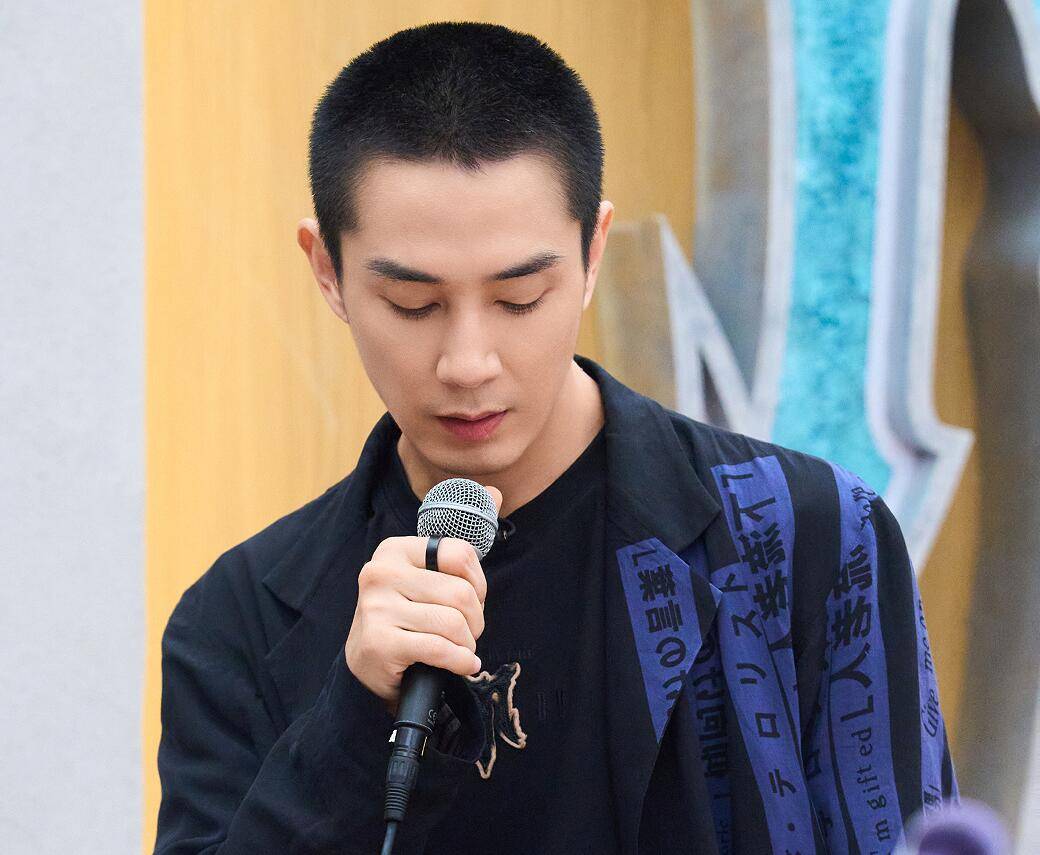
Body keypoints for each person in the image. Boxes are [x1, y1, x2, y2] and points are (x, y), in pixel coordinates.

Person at [154, 21, 956, 855]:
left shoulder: (807, 536)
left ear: (592, 252)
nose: (468, 363)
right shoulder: (239, 620)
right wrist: (353, 721)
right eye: (413, 305)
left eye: (520, 298)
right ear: (328, 271)